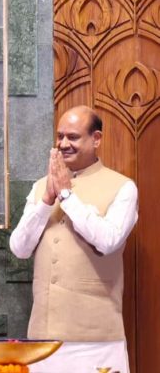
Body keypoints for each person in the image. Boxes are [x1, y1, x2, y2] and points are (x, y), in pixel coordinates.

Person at [10, 105, 138, 373]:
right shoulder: (41, 187)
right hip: (42, 338)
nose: (63, 144)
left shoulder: (123, 187)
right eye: (60, 136)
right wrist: (47, 201)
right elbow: (19, 248)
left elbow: (108, 240)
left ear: (96, 139)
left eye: (73, 137)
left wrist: (67, 196)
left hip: (96, 339)